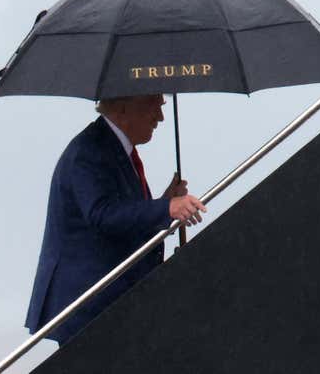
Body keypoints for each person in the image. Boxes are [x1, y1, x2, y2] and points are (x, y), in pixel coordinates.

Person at [24, 94, 206, 345]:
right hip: (88, 308)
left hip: (111, 306)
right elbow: (102, 214)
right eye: (154, 105)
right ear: (124, 106)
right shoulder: (88, 151)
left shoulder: (113, 147)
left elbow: (125, 219)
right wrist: (166, 208)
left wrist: (164, 203)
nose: (161, 117)